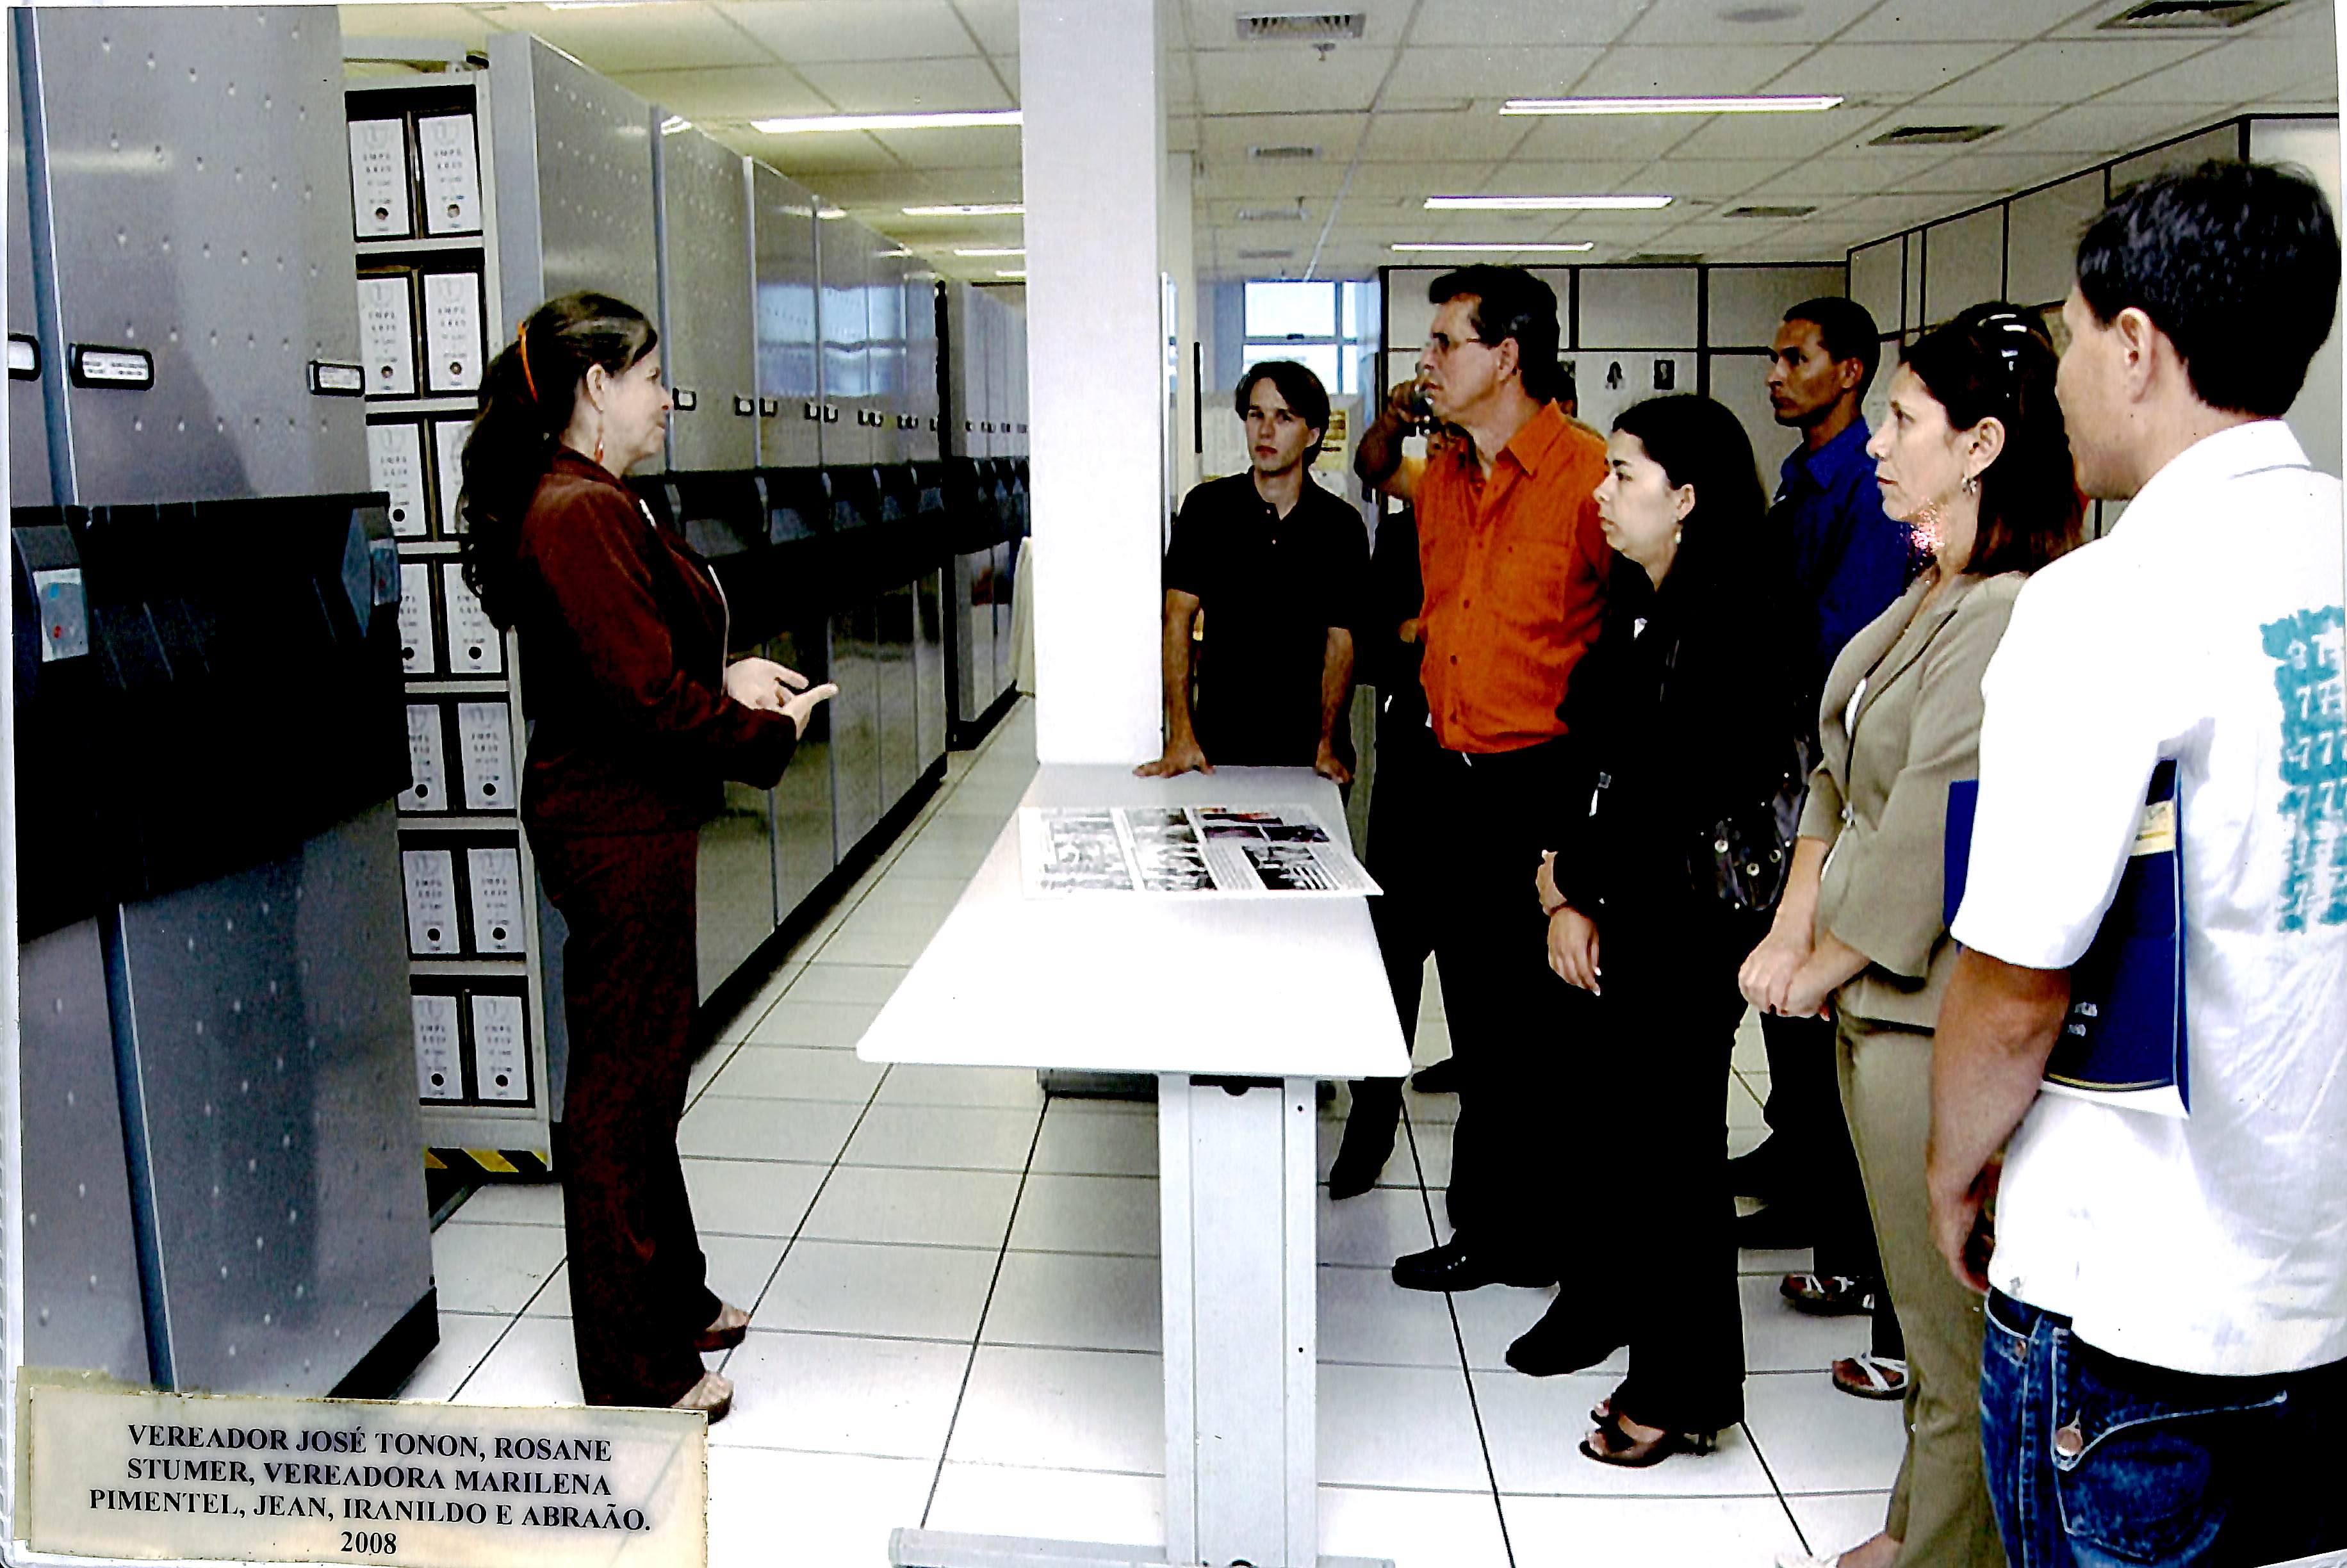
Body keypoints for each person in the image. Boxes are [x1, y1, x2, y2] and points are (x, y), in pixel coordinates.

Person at [1930, 160, 2347, 1568]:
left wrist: (1951, 1164)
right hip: (2324, 1294)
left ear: (2132, 344)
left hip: (2132, 1317)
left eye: (2060, 337)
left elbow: (2015, 982)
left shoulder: (2100, 603)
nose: (2051, 380)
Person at [456, 291, 837, 1422]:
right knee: (620, 1093)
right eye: (651, 376)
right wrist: (768, 733)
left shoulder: (599, 501)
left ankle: (672, 1297)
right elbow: (634, 697)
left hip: (630, 811)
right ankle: (635, 1368)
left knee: (648, 1072)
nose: (667, 398)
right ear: (593, 387)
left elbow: (629, 660)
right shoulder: (574, 511)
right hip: (609, 821)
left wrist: (728, 678)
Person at [1746, 304, 2081, 1568]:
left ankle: (1937, 1551)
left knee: (1949, 1355)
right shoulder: (1925, 586)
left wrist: (1814, 960)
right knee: (1921, 1333)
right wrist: (1790, 940)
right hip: (1864, 1009)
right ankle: (1913, 1531)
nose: (1877, 445)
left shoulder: (2003, 611)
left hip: (1920, 1013)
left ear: (1981, 443)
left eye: (1900, 420)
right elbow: (1835, 788)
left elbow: (1933, 825)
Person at [1526, 394, 1804, 1464]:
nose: (1600, 494)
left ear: (1684, 498)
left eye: (1624, 476)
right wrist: (1572, 882)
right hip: (1638, 901)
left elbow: (1676, 784)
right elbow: (1600, 740)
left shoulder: (1730, 609)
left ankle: (1679, 1390)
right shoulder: (1651, 598)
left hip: (1685, 918)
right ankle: (1677, 1372)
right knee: (1650, 1149)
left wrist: (1569, 881)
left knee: (1672, 1156)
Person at [1352, 266, 1611, 1291]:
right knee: (1480, 1022)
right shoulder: (1448, 476)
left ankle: (1554, 1231)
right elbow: (1385, 472)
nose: (1427, 359)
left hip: (1543, 784)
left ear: (1506, 356)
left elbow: (1629, 645)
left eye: (1445, 342)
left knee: (1548, 1031)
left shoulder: (1590, 478)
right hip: (1448, 777)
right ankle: (1490, 1227)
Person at [1741, 298, 1914, 1376]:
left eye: (1793, 357)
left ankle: (1831, 1207)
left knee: (1820, 1001)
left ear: (1846, 372)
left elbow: (1834, 647)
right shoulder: (1799, 475)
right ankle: (1797, 1162)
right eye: (1771, 354)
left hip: (1830, 775)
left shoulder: (1862, 483)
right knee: (1784, 1004)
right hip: (1785, 770)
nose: (1773, 372)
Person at [1137, 360, 1363, 780]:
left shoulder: (1340, 526)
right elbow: (1177, 618)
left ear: (1312, 434)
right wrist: (1181, 734)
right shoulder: (1207, 508)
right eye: (1256, 415)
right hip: (1219, 747)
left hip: (1307, 753)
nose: (1265, 431)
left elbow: (1341, 640)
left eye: (1284, 418)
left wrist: (1327, 743)